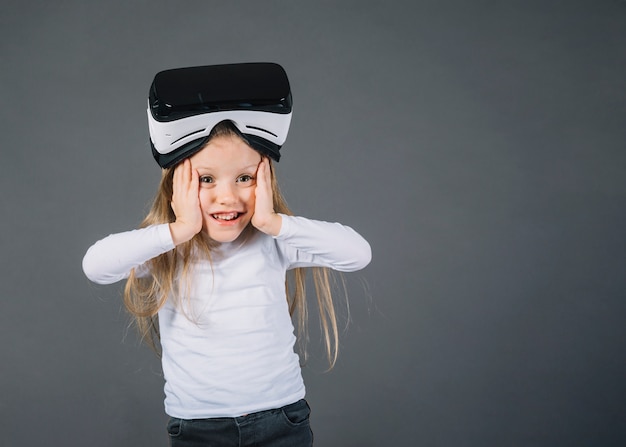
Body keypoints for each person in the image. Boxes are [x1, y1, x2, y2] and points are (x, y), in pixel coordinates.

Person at [82, 63, 371, 446]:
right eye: (206, 179)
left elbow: (357, 253)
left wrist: (274, 221)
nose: (228, 197)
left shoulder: (273, 241)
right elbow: (95, 266)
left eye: (244, 178)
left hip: (282, 419)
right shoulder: (166, 251)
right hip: (198, 428)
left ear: (264, 181)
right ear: (177, 185)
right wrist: (178, 230)